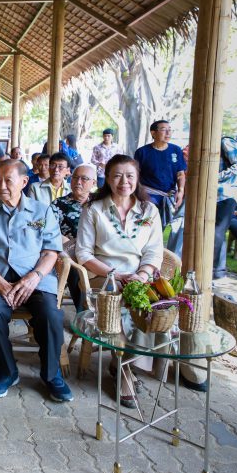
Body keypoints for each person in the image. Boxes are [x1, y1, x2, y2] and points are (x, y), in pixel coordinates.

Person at [0, 160, 71, 401]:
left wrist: (34, 277)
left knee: (51, 315)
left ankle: (51, 375)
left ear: (24, 182)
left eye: (8, 180)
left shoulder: (42, 210)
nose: (1, 185)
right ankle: (7, 370)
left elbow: (51, 252)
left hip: (34, 275)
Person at [75, 154, 163, 405]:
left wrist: (142, 274)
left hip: (139, 275)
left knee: (153, 308)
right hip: (103, 276)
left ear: (137, 179)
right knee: (119, 306)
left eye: (130, 176)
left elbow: (155, 250)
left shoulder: (149, 210)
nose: (124, 181)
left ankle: (125, 362)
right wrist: (114, 274)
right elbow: (83, 252)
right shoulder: (94, 209)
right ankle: (125, 370)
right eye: (117, 175)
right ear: (108, 179)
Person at [51, 164, 97, 312]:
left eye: (84, 179)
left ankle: (106, 309)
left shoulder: (100, 203)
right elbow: (49, 232)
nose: (78, 182)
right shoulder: (58, 204)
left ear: (93, 183)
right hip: (70, 253)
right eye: (75, 178)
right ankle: (83, 312)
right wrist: (62, 240)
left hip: (97, 251)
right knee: (73, 267)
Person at [134, 120, 186, 226]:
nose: (168, 133)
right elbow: (135, 175)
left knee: (162, 226)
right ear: (153, 133)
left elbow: (180, 174)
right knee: (147, 224)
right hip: (149, 195)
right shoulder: (142, 152)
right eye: (163, 130)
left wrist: (180, 191)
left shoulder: (175, 150)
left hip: (168, 195)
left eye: (170, 130)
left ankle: (158, 242)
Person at [213, 137, 237, 279]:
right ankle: (218, 271)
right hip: (210, 197)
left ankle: (212, 270)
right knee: (215, 233)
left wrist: (217, 177)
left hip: (226, 194)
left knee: (216, 233)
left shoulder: (225, 141)